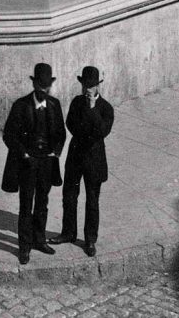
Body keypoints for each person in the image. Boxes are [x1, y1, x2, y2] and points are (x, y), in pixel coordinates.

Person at [0, 61, 66, 259]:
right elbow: (9, 135)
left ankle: (39, 239)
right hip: (28, 163)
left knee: (42, 202)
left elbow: (61, 133)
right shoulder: (21, 105)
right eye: (40, 86)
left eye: (47, 86)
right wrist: (23, 153)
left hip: (46, 162)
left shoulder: (54, 105)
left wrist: (57, 151)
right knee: (26, 204)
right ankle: (24, 246)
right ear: (34, 85)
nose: (44, 90)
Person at [59, 64, 114, 255]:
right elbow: (71, 125)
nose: (86, 90)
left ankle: (90, 239)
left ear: (97, 87)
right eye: (84, 85)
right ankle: (68, 232)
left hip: (94, 160)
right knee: (69, 195)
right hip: (75, 156)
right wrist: (87, 130)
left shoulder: (106, 108)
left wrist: (91, 110)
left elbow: (102, 131)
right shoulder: (76, 102)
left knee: (92, 200)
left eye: (90, 86)